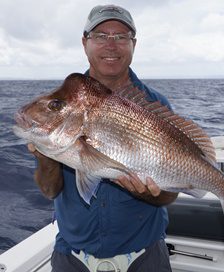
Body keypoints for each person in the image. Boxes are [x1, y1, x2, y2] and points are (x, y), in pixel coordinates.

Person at [28, 4, 178, 272]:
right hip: (72, 259)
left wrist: (150, 195)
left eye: (121, 37)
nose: (112, 45)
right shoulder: (61, 106)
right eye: (101, 36)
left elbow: (169, 195)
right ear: (85, 43)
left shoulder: (157, 106)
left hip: (145, 258)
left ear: (134, 45)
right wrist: (46, 155)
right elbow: (50, 191)